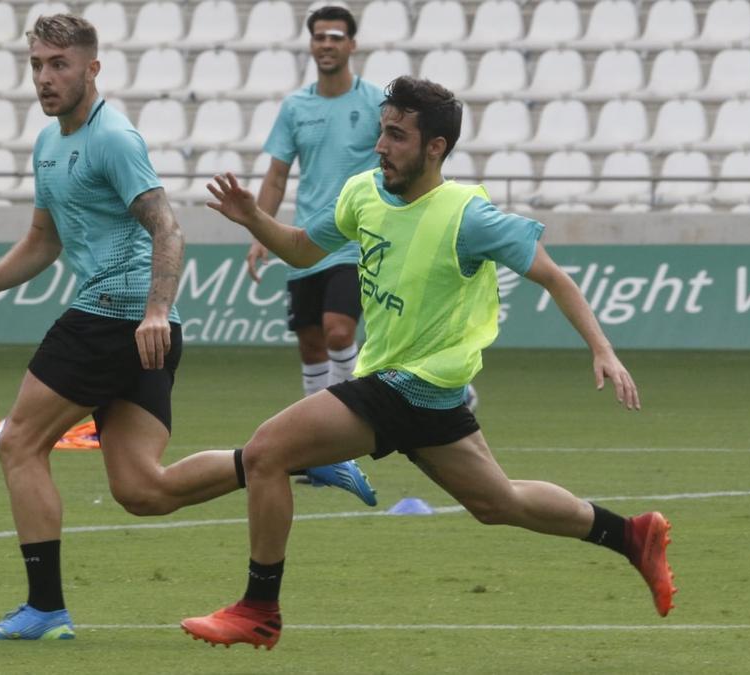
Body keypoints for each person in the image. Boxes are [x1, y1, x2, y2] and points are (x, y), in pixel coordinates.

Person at [181, 76, 676, 650]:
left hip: (415, 383)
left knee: (268, 450)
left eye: (396, 135)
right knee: (499, 502)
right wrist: (253, 220)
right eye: (381, 132)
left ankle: (258, 608)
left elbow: (552, 275)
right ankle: (631, 536)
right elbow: (301, 248)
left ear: (435, 147)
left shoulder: (469, 216)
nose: (381, 146)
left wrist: (603, 349)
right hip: (410, 387)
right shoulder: (363, 193)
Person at [0, 14, 376, 642]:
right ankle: (297, 461)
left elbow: (168, 228)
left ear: (92, 68)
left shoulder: (113, 137)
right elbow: (42, 240)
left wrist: (151, 311)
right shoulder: (48, 143)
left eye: (59, 64)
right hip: (139, 328)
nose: (45, 76)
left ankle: (44, 609)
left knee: (18, 444)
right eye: (37, 63)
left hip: (114, 318)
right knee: (145, 490)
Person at [247, 5, 384, 406]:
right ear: (311, 44)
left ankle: (349, 424)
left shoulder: (377, 103)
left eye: (335, 37)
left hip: (355, 240)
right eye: (319, 37)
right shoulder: (295, 108)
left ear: (352, 45)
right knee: (310, 345)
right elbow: (276, 177)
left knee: (338, 331)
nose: (326, 44)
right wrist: (261, 233)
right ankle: (322, 447)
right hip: (305, 240)